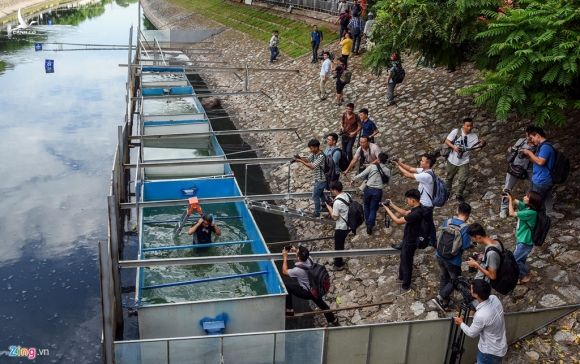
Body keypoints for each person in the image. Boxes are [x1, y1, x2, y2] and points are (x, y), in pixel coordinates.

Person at [282, 245, 340, 326]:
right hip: (315, 287)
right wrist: (296, 251)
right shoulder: (309, 259)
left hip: (306, 292)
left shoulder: (298, 270)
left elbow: (284, 271)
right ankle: (333, 320)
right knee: (322, 305)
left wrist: (285, 257)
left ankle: (289, 310)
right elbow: (303, 256)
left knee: (286, 285)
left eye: (297, 252)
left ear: (298, 258)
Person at [453, 279, 508, 363]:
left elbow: (472, 333)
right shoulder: (494, 298)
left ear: (476, 295)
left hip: (488, 353)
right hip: (501, 347)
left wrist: (461, 323)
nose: (469, 290)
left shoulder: (481, 315)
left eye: (471, 289)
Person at [432, 202, 473, 311]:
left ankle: (444, 302)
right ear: (468, 215)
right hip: (453, 260)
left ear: (457, 211)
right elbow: (465, 245)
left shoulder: (448, 221)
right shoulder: (465, 228)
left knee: (444, 276)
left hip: (440, 255)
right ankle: (440, 297)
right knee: (456, 280)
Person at [382, 189, 425, 292]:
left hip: (410, 241)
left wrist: (386, 209)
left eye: (408, 199)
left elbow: (397, 221)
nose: (406, 201)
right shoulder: (418, 208)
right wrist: (391, 205)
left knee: (407, 263)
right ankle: (401, 277)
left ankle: (406, 285)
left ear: (413, 200)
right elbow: (405, 212)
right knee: (403, 258)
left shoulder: (416, 214)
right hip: (408, 239)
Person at [394, 154, 437, 249]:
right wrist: (399, 162)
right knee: (429, 223)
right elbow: (410, 169)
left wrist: (397, 166)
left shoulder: (426, 176)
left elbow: (407, 174)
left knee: (412, 224)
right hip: (426, 205)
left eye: (422, 161)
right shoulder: (425, 171)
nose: (420, 162)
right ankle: (433, 241)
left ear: (428, 163)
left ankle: (405, 244)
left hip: (424, 206)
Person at [444, 117, 484, 202]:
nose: (469, 128)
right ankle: (447, 192)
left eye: (471, 126)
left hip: (464, 161)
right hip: (452, 160)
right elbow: (447, 141)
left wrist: (481, 145)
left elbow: (476, 149)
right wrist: (453, 147)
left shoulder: (474, 136)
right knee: (449, 177)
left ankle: (459, 194)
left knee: (463, 179)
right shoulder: (456, 131)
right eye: (467, 126)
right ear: (463, 125)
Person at [507, 191, 541, 284]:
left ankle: (526, 274)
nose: (524, 197)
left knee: (514, 260)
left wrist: (510, 200)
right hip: (521, 238)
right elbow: (515, 201)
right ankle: (520, 275)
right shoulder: (527, 207)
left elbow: (511, 213)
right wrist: (510, 196)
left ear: (531, 201)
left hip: (525, 241)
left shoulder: (530, 212)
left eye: (527, 196)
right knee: (520, 259)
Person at [519, 126, 555, 212]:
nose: (531, 140)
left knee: (535, 205)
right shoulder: (541, 146)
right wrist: (528, 157)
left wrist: (529, 152)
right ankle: (542, 219)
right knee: (536, 202)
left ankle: (539, 222)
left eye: (532, 137)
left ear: (538, 135)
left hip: (541, 181)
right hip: (538, 179)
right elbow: (537, 161)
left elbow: (540, 162)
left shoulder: (546, 147)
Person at [353, 152, 391, 235]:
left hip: (368, 189)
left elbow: (362, 174)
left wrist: (354, 179)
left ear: (378, 159)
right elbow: (387, 182)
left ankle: (367, 223)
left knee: (366, 206)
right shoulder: (387, 170)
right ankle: (370, 225)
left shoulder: (372, 166)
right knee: (373, 209)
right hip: (378, 191)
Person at [500, 135, 536, 218]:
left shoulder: (537, 145)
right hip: (515, 167)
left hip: (529, 170)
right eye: (527, 135)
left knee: (532, 188)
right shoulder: (521, 141)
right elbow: (512, 150)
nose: (528, 137)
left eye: (530, 135)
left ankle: (527, 207)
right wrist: (512, 149)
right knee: (507, 188)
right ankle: (503, 209)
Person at [293, 139, 326, 217]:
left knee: (315, 196)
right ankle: (324, 205)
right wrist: (300, 158)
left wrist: (301, 161)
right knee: (320, 193)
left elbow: (312, 166)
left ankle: (317, 212)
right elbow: (308, 160)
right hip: (317, 178)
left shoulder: (321, 156)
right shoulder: (314, 154)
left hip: (322, 179)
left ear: (316, 147)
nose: (310, 150)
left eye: (311, 148)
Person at [325, 181, 350, 271]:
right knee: (341, 244)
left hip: (341, 226)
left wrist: (329, 208)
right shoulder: (347, 195)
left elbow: (335, 217)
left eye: (331, 190)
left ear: (335, 190)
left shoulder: (337, 202)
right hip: (349, 223)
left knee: (338, 245)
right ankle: (339, 260)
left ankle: (338, 265)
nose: (331, 192)